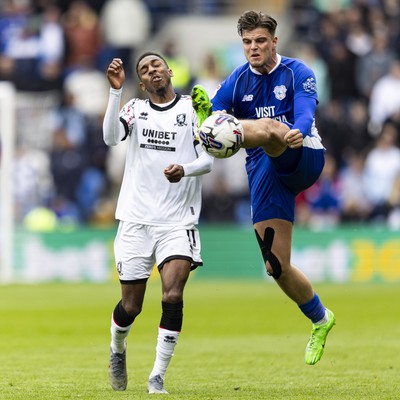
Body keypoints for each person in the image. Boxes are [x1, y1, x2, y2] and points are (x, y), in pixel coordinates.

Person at [192, 10, 335, 366]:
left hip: (302, 154)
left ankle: (252, 134)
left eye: (260, 41)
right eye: (247, 42)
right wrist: (204, 119)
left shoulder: (297, 72)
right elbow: (215, 116)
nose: (253, 48)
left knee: (270, 128)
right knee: (275, 265)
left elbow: (305, 112)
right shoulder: (237, 80)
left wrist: (296, 129)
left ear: (274, 41)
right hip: (263, 168)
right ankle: (321, 319)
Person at [103, 53, 213, 394]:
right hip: (136, 219)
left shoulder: (191, 110)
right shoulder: (134, 109)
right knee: (131, 306)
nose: (152, 70)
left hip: (177, 221)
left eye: (157, 65)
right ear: (142, 82)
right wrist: (114, 94)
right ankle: (117, 348)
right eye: (144, 70)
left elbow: (207, 160)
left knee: (172, 294)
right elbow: (109, 138)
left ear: (169, 71)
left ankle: (157, 377)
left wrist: (185, 169)